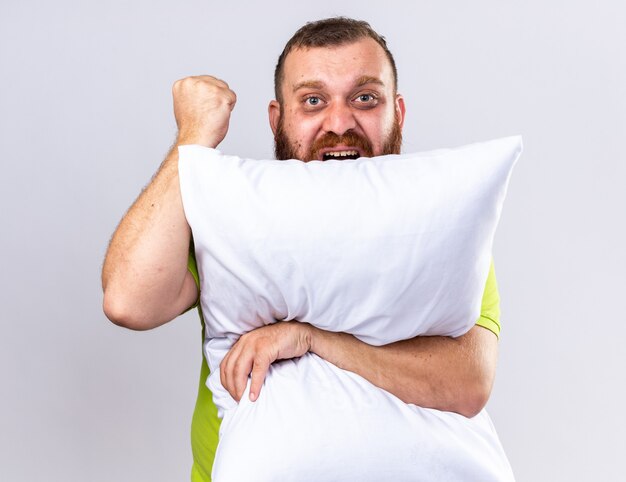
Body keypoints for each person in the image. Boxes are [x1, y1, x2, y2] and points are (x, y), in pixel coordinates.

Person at [102, 17, 505, 481]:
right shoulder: (234, 212)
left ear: (398, 113)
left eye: (365, 98)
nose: (339, 123)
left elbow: (467, 382)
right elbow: (129, 302)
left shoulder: (440, 224)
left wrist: (309, 338)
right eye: (313, 101)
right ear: (278, 119)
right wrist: (192, 139)